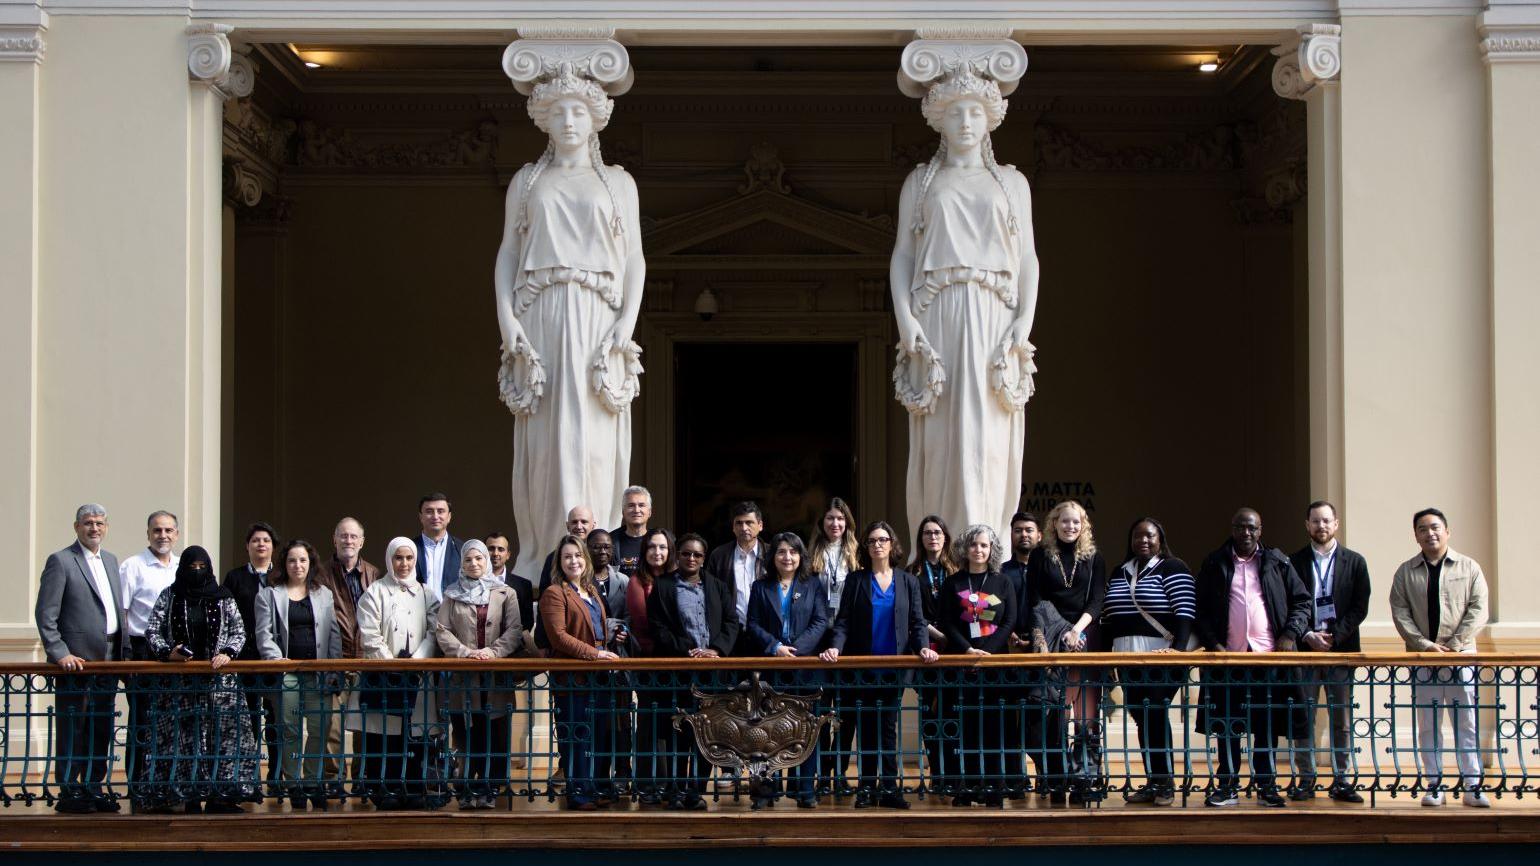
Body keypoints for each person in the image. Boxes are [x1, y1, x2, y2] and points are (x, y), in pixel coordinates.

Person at [494, 61, 646, 580]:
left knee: (596, 437)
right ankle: (543, 557)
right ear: (544, 119)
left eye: (578, 111)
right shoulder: (527, 180)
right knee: (547, 438)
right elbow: (508, 255)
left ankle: (594, 553)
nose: (568, 121)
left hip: (599, 319)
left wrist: (627, 322)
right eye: (558, 112)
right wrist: (507, 320)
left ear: (595, 118)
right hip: (541, 315)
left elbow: (634, 260)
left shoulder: (619, 183)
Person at [889, 63, 1040, 539]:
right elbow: (902, 255)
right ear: (940, 120)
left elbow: (1029, 258)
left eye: (976, 112)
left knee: (988, 431)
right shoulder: (921, 182)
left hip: (995, 314)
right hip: (937, 314)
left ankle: (984, 542)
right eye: (956, 113)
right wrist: (905, 320)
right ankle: (939, 541)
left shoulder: (1012, 184)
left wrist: (1024, 320)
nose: (967, 122)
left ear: (990, 118)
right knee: (943, 433)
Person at [1192, 508, 1311, 808]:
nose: (1246, 533)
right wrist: (1213, 644)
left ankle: (1267, 786)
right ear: (1232, 529)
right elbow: (1201, 611)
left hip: (1267, 659)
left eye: (1252, 528)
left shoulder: (1278, 562)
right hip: (1228, 660)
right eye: (1241, 527)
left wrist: (1289, 635)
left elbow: (1302, 601)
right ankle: (1227, 785)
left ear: (1260, 530)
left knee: (1266, 726)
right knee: (1228, 725)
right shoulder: (1214, 562)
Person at [819, 520, 939, 809]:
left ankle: (889, 789)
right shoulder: (856, 581)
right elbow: (844, 621)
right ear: (866, 547)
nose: (877, 545)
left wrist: (923, 646)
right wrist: (835, 646)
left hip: (893, 670)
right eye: (872, 541)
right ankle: (867, 789)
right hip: (863, 669)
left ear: (892, 544)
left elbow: (916, 622)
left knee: (887, 729)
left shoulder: (908, 581)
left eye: (882, 540)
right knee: (867, 731)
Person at [142, 546, 261, 814]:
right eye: (191, 567)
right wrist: (168, 653)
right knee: (184, 740)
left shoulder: (223, 597)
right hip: (180, 686)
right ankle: (187, 795)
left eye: (201, 567)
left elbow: (239, 631)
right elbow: (152, 630)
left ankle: (222, 796)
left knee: (223, 739)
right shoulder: (170, 596)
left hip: (221, 686)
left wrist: (228, 654)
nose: (197, 572)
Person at [1388, 507, 1490, 808]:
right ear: (1415, 535)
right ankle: (1434, 785)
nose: (1430, 533)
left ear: (1447, 531)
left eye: (1435, 527)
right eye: (1422, 528)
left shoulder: (1469, 567)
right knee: (1428, 725)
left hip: (1461, 659)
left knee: (1466, 723)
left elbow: (1478, 608)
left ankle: (1473, 786)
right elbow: (1400, 612)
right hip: (1424, 659)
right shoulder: (1406, 572)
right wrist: (1424, 645)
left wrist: (1455, 645)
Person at [35, 504, 125, 814]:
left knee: (100, 726)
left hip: (109, 659)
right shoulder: (61, 561)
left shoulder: (112, 561)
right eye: (88, 523)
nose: (94, 528)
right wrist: (59, 653)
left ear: (106, 527)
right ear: (76, 527)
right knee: (74, 726)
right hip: (76, 663)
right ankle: (70, 789)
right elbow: (46, 614)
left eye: (99, 523)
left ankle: (93, 786)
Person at [1102, 518, 1195, 806]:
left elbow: (1185, 613)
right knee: (1142, 717)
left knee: (1155, 713)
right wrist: (1107, 658)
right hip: (1127, 657)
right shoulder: (1121, 571)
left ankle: (1165, 783)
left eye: (1150, 536)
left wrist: (1178, 655)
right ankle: (1154, 781)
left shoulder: (1173, 567)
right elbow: (1108, 616)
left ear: (1160, 539)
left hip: (1162, 656)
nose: (1143, 540)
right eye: (1138, 536)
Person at [648, 529, 739, 810]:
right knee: (678, 733)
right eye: (686, 553)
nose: (691, 558)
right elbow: (658, 627)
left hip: (711, 675)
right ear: (678, 555)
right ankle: (676, 791)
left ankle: (695, 791)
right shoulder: (662, 587)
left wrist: (716, 650)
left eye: (697, 554)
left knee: (706, 736)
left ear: (704, 558)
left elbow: (731, 622)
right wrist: (687, 650)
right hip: (678, 672)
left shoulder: (718, 586)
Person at [1287, 500, 1371, 803]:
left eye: (1326, 521)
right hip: (1306, 652)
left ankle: (1342, 780)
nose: (1321, 526)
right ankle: (1306, 779)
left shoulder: (1356, 562)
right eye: (1315, 521)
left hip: (1340, 652)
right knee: (1303, 717)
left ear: (1336, 524)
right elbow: (1286, 604)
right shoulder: (1293, 562)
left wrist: (1334, 636)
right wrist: (1308, 635)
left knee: (1341, 719)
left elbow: (1360, 607)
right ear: (1307, 526)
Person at [349, 537, 441, 810]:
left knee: (415, 735)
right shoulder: (375, 592)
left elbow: (435, 631)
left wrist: (417, 660)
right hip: (384, 677)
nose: (404, 564)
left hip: (417, 676)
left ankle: (414, 789)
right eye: (398, 558)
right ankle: (384, 789)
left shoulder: (427, 594)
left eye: (409, 558)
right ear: (390, 559)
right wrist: (392, 666)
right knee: (382, 737)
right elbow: (370, 634)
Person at [1025, 499, 1107, 803]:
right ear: (1054, 524)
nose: (1070, 526)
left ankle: (1085, 777)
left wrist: (1078, 630)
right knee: (1054, 713)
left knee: (1085, 715)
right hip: (1050, 637)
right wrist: (1050, 636)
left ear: (1083, 525)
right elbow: (1034, 599)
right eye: (1064, 521)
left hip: (1085, 635)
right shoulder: (1040, 556)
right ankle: (1056, 778)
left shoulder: (1094, 557)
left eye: (1076, 522)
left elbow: (1098, 599)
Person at [435, 540, 526, 810]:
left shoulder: (504, 593)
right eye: (468, 560)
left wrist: (492, 653)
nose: (474, 564)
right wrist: (465, 653)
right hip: (464, 678)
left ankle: (491, 785)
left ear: (487, 561)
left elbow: (514, 629)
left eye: (479, 559)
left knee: (495, 730)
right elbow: (442, 630)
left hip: (495, 676)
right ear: (461, 564)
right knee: (466, 731)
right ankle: (467, 785)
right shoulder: (452, 594)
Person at [256, 539, 343, 810]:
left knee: (321, 728)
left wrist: (333, 667)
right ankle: (293, 783)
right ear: (284, 563)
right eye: (292, 560)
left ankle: (312, 781)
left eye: (303, 560)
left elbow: (334, 635)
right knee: (291, 729)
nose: (298, 565)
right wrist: (276, 659)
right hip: (287, 672)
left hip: (319, 671)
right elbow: (264, 634)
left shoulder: (323, 594)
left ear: (311, 563)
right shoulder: (269, 595)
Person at [745, 531, 829, 809]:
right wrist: (775, 647)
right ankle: (767, 791)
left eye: (793, 552)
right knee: (768, 732)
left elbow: (820, 621)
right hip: (771, 671)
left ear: (800, 556)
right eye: (782, 552)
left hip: (804, 669)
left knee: (806, 731)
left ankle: (804, 790)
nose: (787, 557)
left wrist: (796, 651)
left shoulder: (813, 584)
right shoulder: (760, 587)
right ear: (774, 557)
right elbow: (753, 624)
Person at [937, 524, 1018, 807]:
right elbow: (946, 620)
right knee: (967, 728)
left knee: (994, 728)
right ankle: (969, 787)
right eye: (973, 545)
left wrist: (988, 652)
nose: (979, 550)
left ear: (992, 549)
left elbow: (1009, 622)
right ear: (964, 549)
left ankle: (995, 788)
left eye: (984, 545)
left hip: (994, 665)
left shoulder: (1002, 581)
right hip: (963, 663)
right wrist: (967, 649)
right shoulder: (953, 583)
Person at [540, 535, 622, 810]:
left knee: (598, 735)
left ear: (585, 559)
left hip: (599, 675)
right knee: (576, 735)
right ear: (559, 562)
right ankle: (578, 793)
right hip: (573, 675)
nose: (573, 561)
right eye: (567, 556)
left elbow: (596, 627)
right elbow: (559, 637)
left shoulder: (591, 590)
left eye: (577, 555)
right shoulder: (555, 592)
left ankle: (594, 787)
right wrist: (595, 654)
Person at [117, 510, 180, 808]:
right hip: (143, 652)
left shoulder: (183, 567)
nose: (163, 535)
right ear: (148, 534)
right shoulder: (133, 566)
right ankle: (137, 785)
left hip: (176, 654)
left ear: (176, 534)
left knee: (171, 722)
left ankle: (166, 782)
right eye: (157, 530)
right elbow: (123, 613)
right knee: (142, 720)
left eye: (168, 530)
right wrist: (127, 658)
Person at [317, 517, 379, 786]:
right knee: (332, 725)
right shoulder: (320, 574)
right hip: (334, 658)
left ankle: (363, 779)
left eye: (354, 536)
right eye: (343, 536)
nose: (348, 541)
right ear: (334, 539)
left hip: (366, 659)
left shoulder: (374, 574)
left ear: (362, 541)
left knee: (365, 724)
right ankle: (333, 779)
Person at [222, 522, 280, 792]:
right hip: (244, 659)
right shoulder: (234, 578)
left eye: (266, 540)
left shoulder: (281, 576)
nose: (261, 545)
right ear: (247, 546)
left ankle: (277, 777)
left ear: (273, 546)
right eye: (256, 540)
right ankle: (247, 778)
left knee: (276, 719)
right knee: (248, 722)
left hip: (273, 657)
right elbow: (227, 617)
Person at [905, 514, 957, 793]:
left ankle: (954, 776)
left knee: (951, 713)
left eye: (937, 532)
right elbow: (911, 614)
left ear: (945, 537)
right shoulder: (912, 571)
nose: (932, 537)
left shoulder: (956, 570)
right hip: (925, 648)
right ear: (921, 538)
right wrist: (935, 634)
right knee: (929, 714)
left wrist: (951, 636)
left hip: (953, 652)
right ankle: (937, 775)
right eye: (927, 533)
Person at [484, 531, 535, 770]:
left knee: (502, 716)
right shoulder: (472, 580)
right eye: (491, 548)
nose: (495, 553)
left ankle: (499, 774)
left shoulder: (521, 585)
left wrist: (503, 646)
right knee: (476, 719)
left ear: (508, 554)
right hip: (478, 659)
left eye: (500, 549)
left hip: (506, 659)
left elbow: (526, 623)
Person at [706, 501, 769, 656]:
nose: (744, 528)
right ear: (733, 527)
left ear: (760, 525)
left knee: (764, 679)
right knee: (730, 679)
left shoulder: (772, 554)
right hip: (731, 633)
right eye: (739, 523)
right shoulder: (719, 556)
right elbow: (711, 596)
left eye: (749, 522)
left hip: (766, 631)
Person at [537, 506, 598, 595]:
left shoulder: (601, 554)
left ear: (593, 525)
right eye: (574, 522)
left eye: (584, 522)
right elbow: (545, 593)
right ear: (567, 526)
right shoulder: (554, 557)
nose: (579, 526)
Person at [414, 493, 463, 602]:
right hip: (416, 615)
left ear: (449, 516)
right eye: (429, 511)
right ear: (420, 517)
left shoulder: (462, 550)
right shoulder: (409, 549)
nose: (435, 516)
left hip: (451, 616)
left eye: (440, 511)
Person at [611, 486, 653, 577]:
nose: (636, 510)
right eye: (631, 505)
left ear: (649, 512)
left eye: (641, 505)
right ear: (623, 512)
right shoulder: (611, 541)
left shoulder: (659, 541)